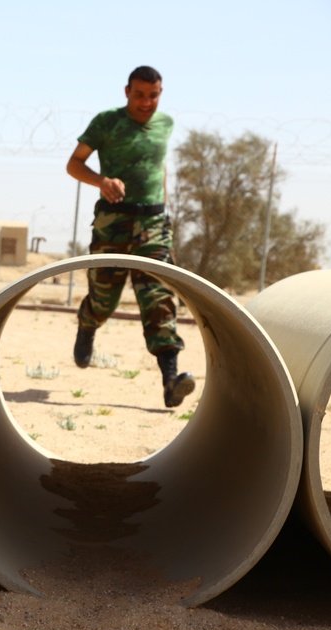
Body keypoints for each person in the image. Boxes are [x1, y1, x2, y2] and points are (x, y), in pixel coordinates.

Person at [66, 66, 195, 408]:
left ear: (160, 94)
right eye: (139, 95)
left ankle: (171, 379)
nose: (146, 102)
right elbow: (74, 164)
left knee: (159, 298)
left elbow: (160, 168)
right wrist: (102, 182)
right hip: (113, 222)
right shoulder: (107, 122)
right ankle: (88, 322)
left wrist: (164, 210)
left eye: (153, 95)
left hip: (153, 224)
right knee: (105, 297)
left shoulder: (165, 124)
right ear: (127, 92)